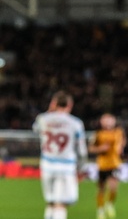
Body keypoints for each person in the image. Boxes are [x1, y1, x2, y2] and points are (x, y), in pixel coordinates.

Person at [33, 91, 88, 219]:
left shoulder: (43, 119)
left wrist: (49, 111)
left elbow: (35, 129)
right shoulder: (75, 123)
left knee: (51, 201)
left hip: (47, 165)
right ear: (70, 105)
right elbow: (82, 150)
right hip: (66, 166)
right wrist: (82, 168)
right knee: (61, 203)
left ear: (53, 104)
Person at [89, 113, 125, 219]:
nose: (108, 122)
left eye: (110, 120)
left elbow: (121, 142)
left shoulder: (118, 132)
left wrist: (120, 147)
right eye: (105, 120)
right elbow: (91, 148)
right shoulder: (98, 134)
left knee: (114, 187)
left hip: (114, 163)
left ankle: (110, 204)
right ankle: (100, 210)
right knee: (101, 189)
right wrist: (100, 149)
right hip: (102, 165)